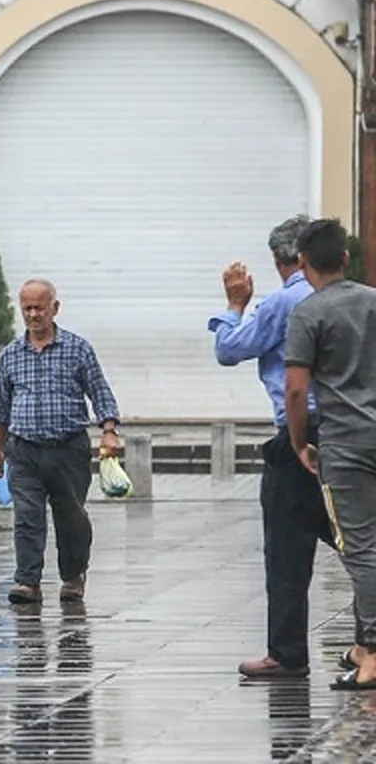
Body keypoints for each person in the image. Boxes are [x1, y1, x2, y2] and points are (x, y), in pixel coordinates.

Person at [207, 214, 335, 680]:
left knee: (285, 548)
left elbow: (230, 349)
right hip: (350, 433)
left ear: (287, 260)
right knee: (356, 541)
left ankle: (286, 652)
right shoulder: (350, 297)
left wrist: (235, 303)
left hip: (301, 435)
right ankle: (368, 644)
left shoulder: (286, 301)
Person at [284, 217, 376, 691]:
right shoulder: (373, 301)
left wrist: (301, 444)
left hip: (345, 444)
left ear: (302, 263)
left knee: (359, 549)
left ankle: (374, 655)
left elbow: (297, 391)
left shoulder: (308, 313)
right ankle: (362, 643)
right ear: (344, 258)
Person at [0, 280, 122, 605]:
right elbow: (1, 407)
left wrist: (108, 429)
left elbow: (100, 391)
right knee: (26, 516)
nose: (33, 315)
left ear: (55, 308)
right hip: (23, 450)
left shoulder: (78, 349)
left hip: (68, 449)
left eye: (39, 308)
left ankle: (74, 575)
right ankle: (27, 581)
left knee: (71, 517)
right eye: (27, 309)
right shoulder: (10, 355)